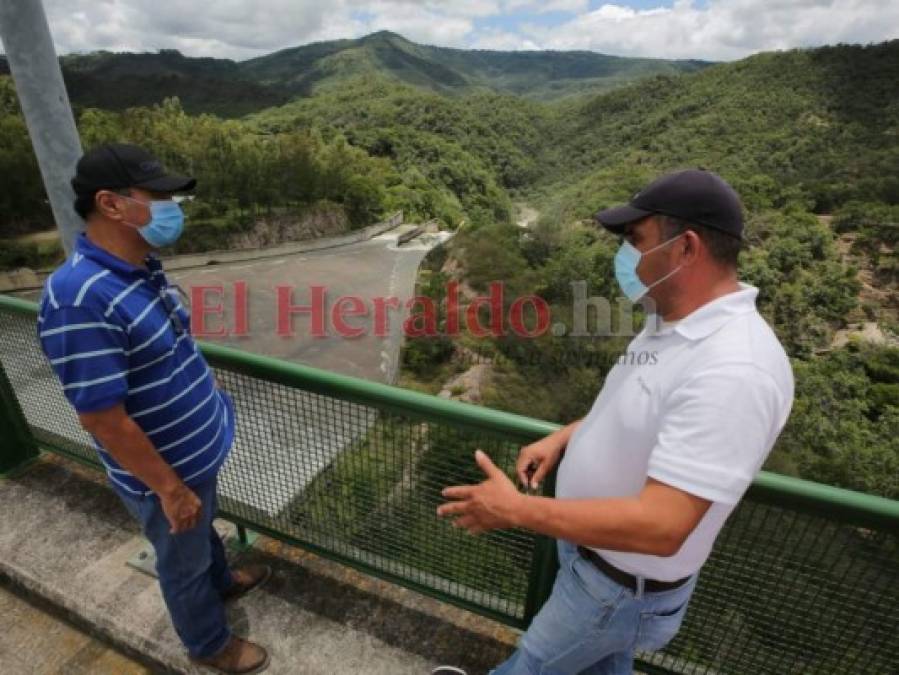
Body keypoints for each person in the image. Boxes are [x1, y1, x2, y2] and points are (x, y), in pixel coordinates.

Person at [436, 169, 794, 674]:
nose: (624, 256)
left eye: (635, 240)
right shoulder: (671, 324)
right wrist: (567, 436)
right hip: (598, 566)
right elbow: (633, 407)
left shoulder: (736, 370)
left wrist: (516, 510)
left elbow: (664, 525)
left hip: (618, 587)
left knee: (530, 666)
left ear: (686, 248)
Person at [37, 143, 271, 674]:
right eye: (159, 196)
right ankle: (210, 644)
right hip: (164, 473)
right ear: (112, 205)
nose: (173, 207)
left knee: (201, 527)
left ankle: (223, 581)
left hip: (192, 458)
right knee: (181, 562)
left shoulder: (139, 267)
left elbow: (164, 350)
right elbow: (101, 416)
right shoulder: (79, 296)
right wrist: (168, 488)